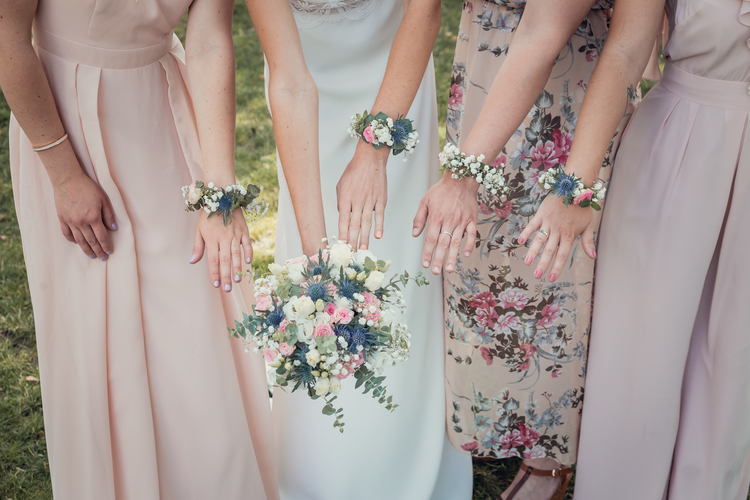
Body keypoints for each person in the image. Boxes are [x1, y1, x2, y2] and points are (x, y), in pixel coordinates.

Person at [0, 0, 324, 498]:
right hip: (67, 127)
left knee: (197, 323)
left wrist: (218, 190)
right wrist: (64, 174)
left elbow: (211, 34)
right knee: (104, 339)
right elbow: (6, 34)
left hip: (167, 115)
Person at [412, 0, 638, 498]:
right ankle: (511, 428)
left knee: (555, 273)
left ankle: (550, 458)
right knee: (489, 267)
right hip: (485, 74)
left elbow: (545, 31)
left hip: (564, 93)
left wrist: (466, 172)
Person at [267, 0, 473, 498]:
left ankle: (406, 459)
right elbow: (290, 79)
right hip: (303, 96)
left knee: (400, 258)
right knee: (316, 278)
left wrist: (374, 149)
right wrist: (316, 257)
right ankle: (321, 468)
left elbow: (424, 11)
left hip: (393, 78)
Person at [548, 0, 750, 498]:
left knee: (732, 358)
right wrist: (579, 186)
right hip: (677, 145)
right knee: (641, 350)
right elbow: (625, 53)